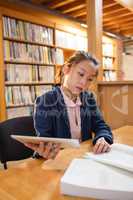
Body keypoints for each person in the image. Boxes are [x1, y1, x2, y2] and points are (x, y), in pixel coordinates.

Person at [25, 51, 113, 159]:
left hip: (84, 157)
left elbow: (101, 126)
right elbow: (45, 140)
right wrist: (46, 150)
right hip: (58, 160)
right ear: (66, 69)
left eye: (89, 79)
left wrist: (102, 138)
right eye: (81, 74)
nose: (84, 82)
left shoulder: (88, 98)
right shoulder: (45, 101)